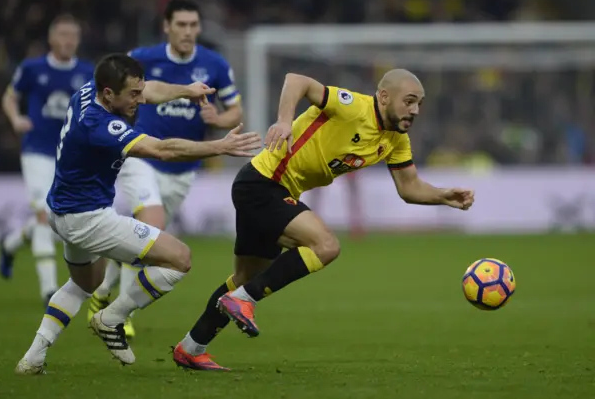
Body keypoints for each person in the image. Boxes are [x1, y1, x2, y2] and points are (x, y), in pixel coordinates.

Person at [171, 69, 475, 371]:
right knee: (326, 245)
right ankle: (244, 300)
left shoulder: (396, 140)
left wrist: (445, 196)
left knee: (244, 279)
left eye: (419, 104)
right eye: (409, 101)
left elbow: (409, 188)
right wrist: (284, 122)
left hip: (270, 191)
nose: (415, 110)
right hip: (263, 184)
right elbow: (295, 80)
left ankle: (192, 347)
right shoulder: (352, 106)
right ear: (384, 96)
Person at [14, 53, 261, 375]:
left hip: (62, 212)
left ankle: (32, 359)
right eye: (132, 95)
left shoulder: (92, 90)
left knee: (84, 284)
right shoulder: (100, 125)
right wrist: (219, 147)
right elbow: (162, 150)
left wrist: (185, 90)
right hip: (87, 219)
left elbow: (150, 90)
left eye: (137, 91)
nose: (139, 100)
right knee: (179, 259)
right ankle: (112, 318)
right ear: (108, 94)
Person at [87, 0, 243, 339]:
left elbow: (235, 111)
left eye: (193, 25)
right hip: (142, 155)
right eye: (181, 25)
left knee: (144, 239)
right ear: (167, 27)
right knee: (150, 227)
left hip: (184, 167)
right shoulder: (142, 58)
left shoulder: (214, 63)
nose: (188, 32)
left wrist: (218, 119)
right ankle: (119, 317)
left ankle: (101, 294)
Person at [0, 14, 94, 305]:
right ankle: (49, 290)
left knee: (54, 217)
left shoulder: (88, 71)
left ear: (78, 39)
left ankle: (11, 242)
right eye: (62, 34)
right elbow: (9, 96)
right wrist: (15, 119)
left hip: (69, 155)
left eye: (72, 35)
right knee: (44, 214)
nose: (67, 40)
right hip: (37, 150)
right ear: (52, 38)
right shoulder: (32, 68)